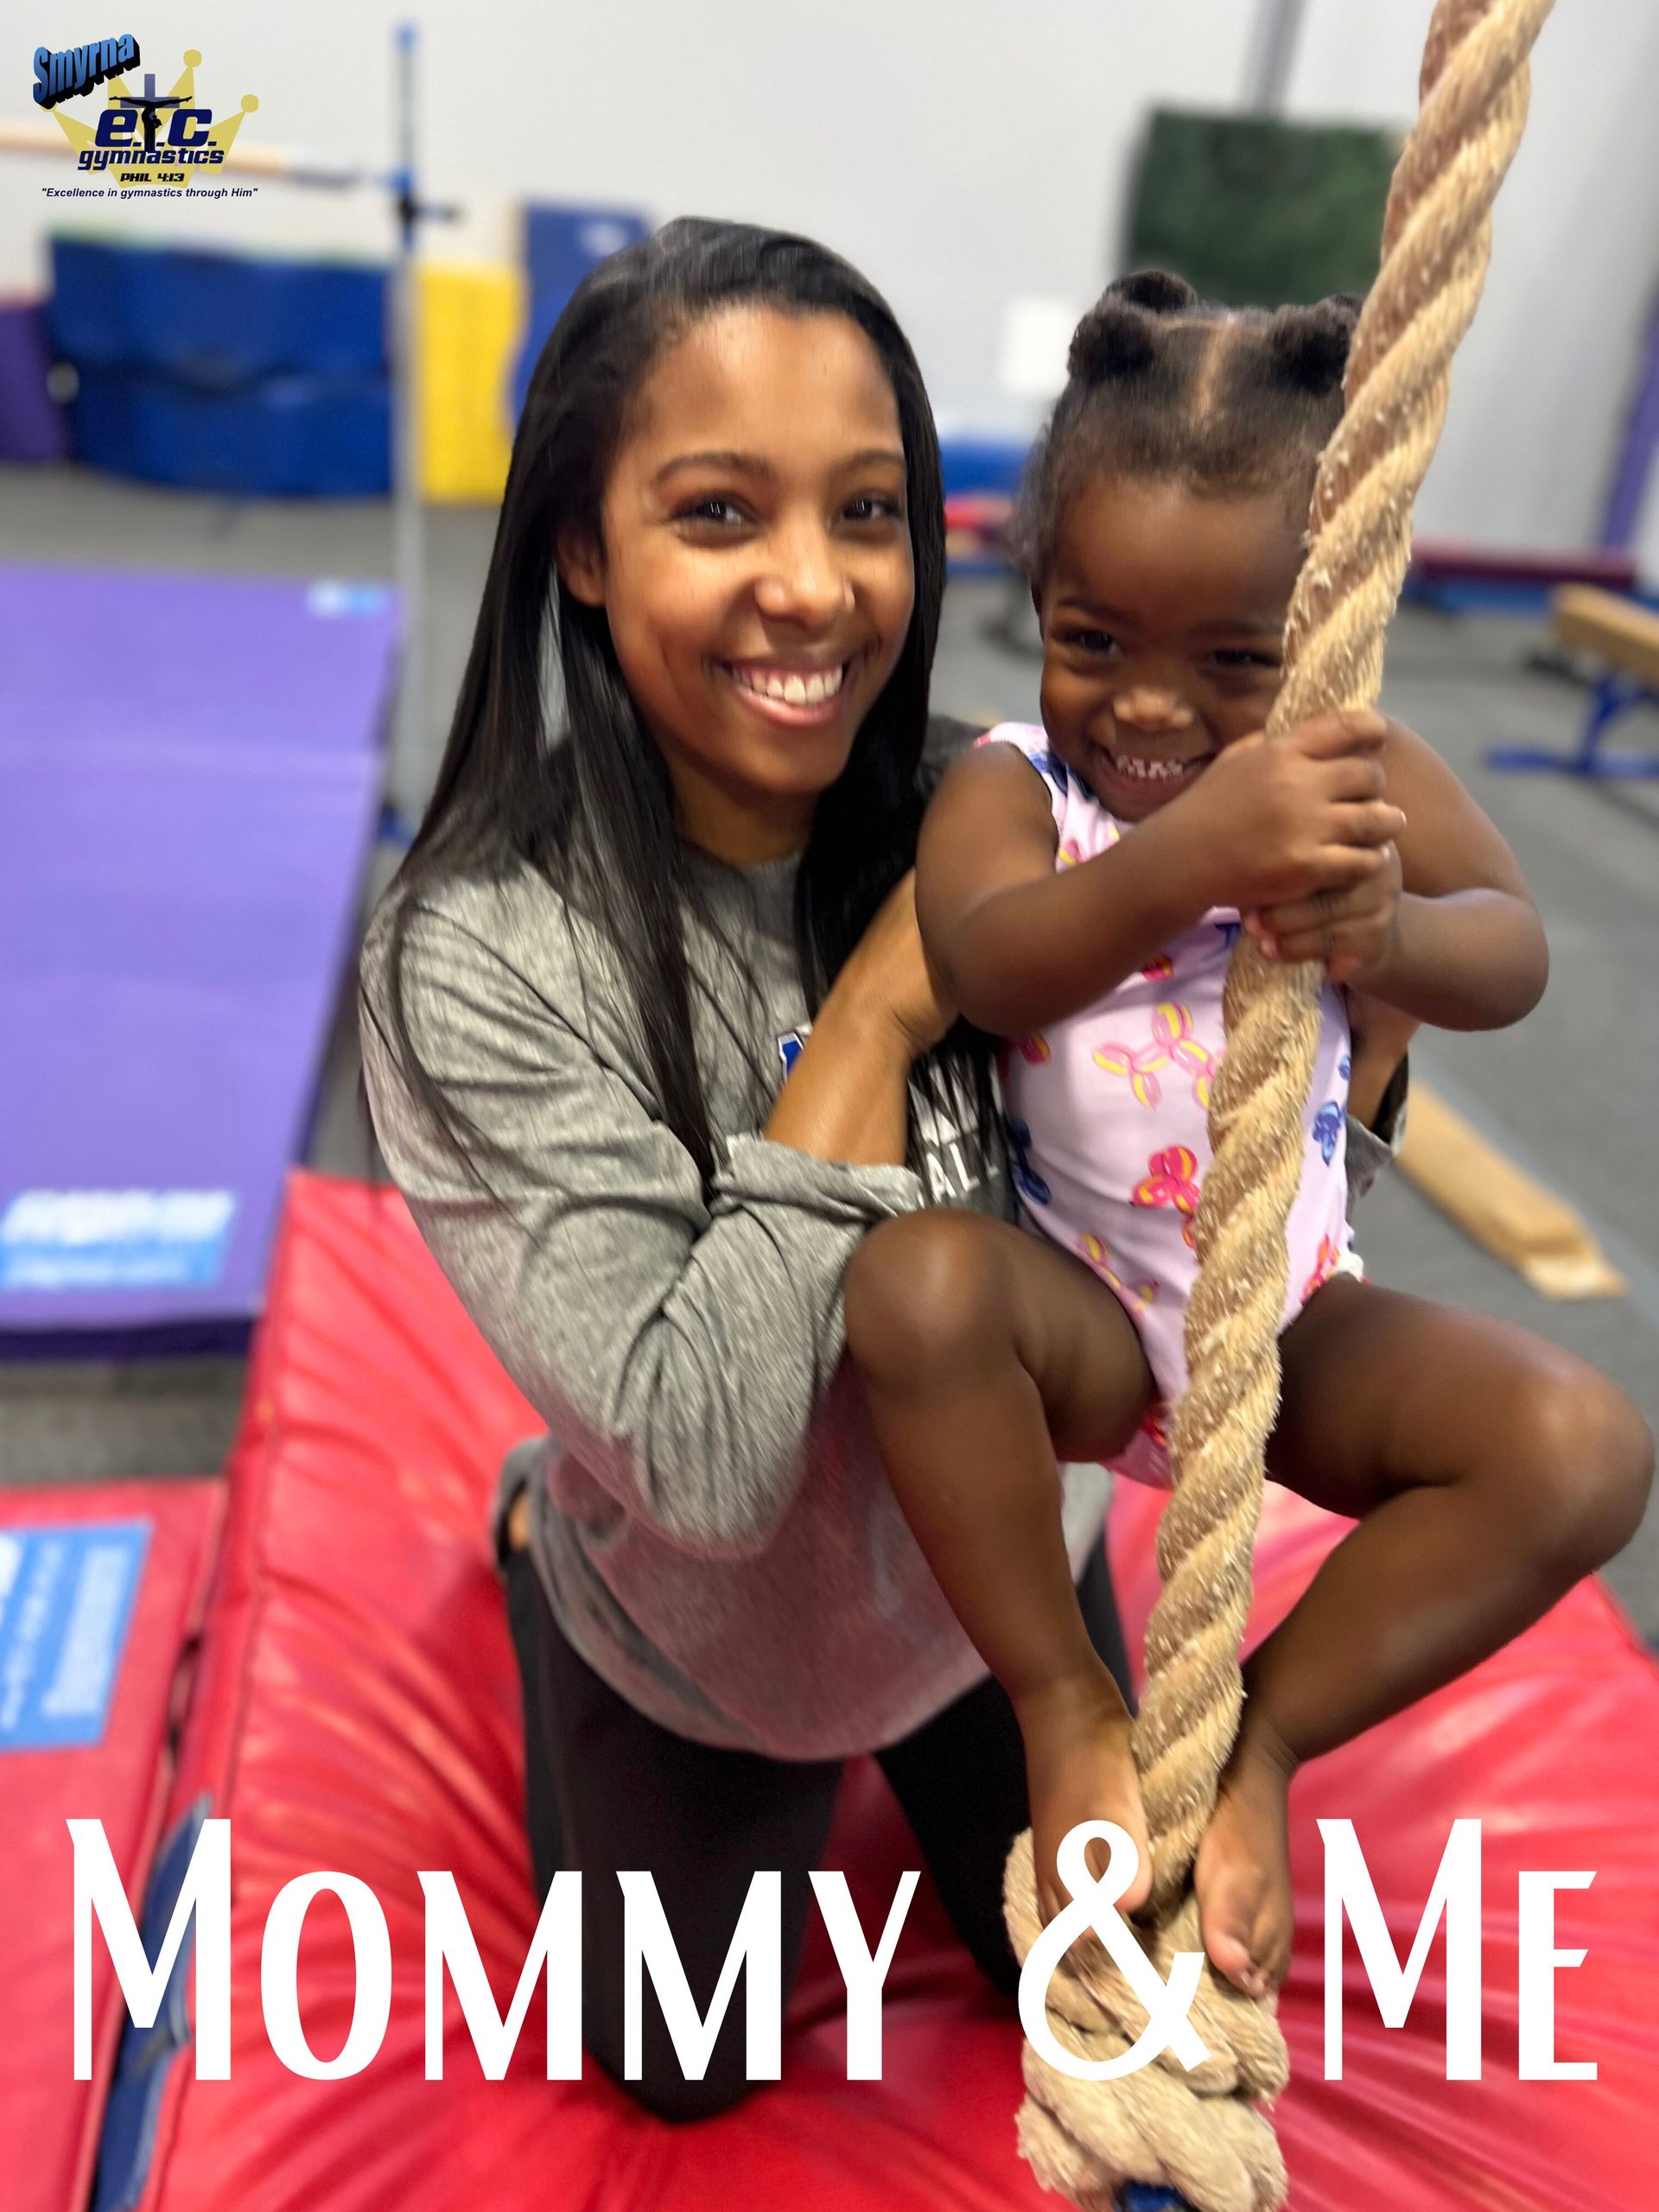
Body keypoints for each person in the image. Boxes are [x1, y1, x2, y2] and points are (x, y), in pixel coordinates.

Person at [355, 218, 1133, 2120]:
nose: (814, 587)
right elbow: (703, 1464)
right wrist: (865, 1026)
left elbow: (1229, 1205)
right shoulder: (481, 951)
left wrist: (1361, 1011)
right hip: (707, 1635)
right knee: (680, 2067)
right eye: (720, 514)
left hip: (1005, 1600)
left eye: (867, 511)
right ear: (583, 545)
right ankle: (550, 1551)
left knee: (1131, 2013)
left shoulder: (1008, 817)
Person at [842, 270, 1655, 2002]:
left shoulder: (1351, 762)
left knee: (1580, 1447)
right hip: (1071, 1310)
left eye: (1233, 661)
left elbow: (1510, 937)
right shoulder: (1013, 782)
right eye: (1096, 641)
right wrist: (1198, 849)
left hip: (1283, 1324)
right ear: (1039, 603)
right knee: (911, 1295)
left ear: (1326, 641)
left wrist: (1392, 936)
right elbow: (991, 963)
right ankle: (1070, 1699)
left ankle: (1258, 1746)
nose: (1148, 707)